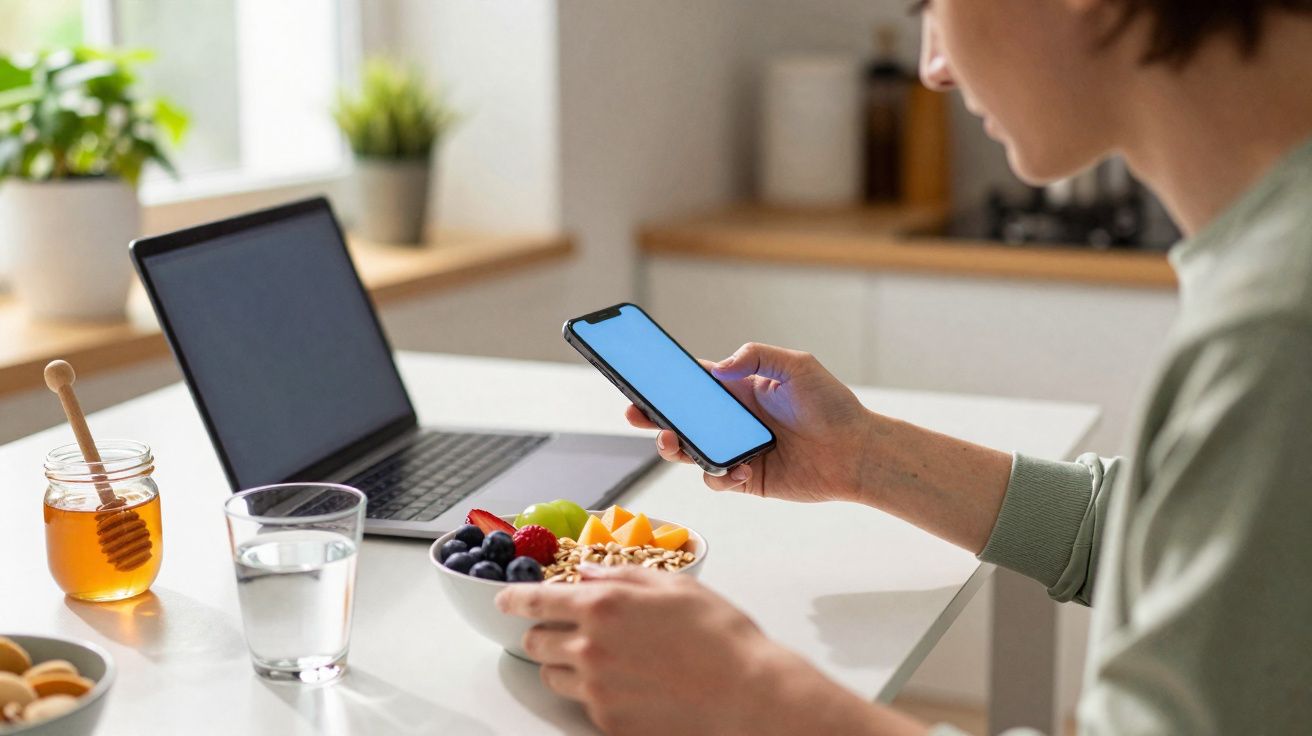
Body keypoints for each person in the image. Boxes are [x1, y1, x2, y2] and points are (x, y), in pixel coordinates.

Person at [498, 0, 1312, 733]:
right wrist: (863, 456)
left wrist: (754, 696)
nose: (935, 67)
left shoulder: (1277, 327)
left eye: (933, 5)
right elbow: (1171, 539)